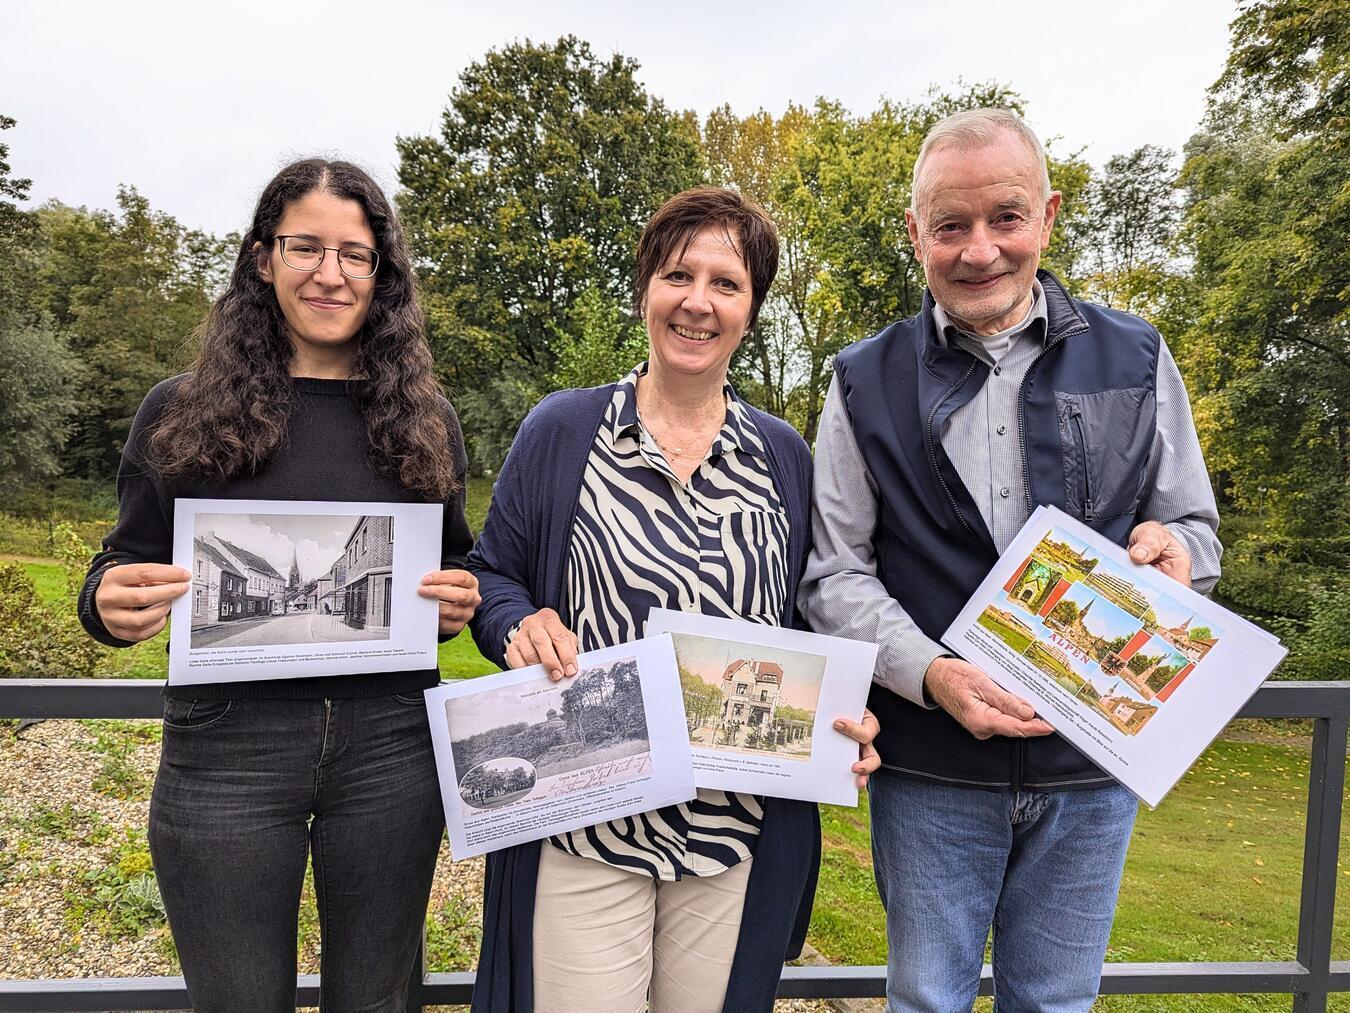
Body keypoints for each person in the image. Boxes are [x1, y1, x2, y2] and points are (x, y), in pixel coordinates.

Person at [799, 108, 1222, 1013]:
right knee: (926, 1001)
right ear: (915, 233)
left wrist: (1175, 550)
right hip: (930, 769)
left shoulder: (1139, 355)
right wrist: (933, 677)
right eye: (950, 225)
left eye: (1006, 217)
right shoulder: (859, 379)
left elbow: (1192, 527)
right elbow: (833, 573)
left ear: (1050, 215)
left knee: (1058, 1004)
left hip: (1091, 769)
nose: (980, 250)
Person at [77, 158, 480, 1012]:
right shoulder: (179, 409)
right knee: (237, 1000)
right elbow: (122, 559)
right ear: (264, 258)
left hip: (390, 748)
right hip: (226, 749)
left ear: (383, 274)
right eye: (307, 248)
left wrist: (455, 605)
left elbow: (457, 569)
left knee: (375, 1000)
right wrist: (107, 602)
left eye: (356, 254)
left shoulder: (425, 418)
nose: (330, 274)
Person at [466, 186, 880, 1013]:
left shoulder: (784, 458)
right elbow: (489, 577)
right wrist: (518, 623)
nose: (698, 301)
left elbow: (814, 617)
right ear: (645, 290)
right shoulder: (563, 432)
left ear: (752, 307)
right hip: (586, 822)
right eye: (677, 275)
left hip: (736, 834)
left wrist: (845, 714)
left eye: (726, 283)